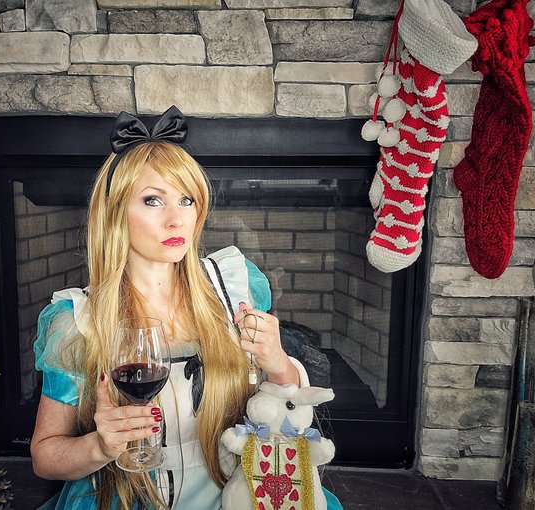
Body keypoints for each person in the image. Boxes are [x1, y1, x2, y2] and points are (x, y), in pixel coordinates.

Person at [31, 106, 342, 509]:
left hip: (233, 494)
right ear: (115, 213)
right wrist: (100, 446)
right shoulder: (78, 321)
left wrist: (277, 362)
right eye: (153, 200)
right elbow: (44, 457)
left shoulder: (232, 289)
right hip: (128, 497)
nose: (177, 220)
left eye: (186, 199)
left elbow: (283, 408)